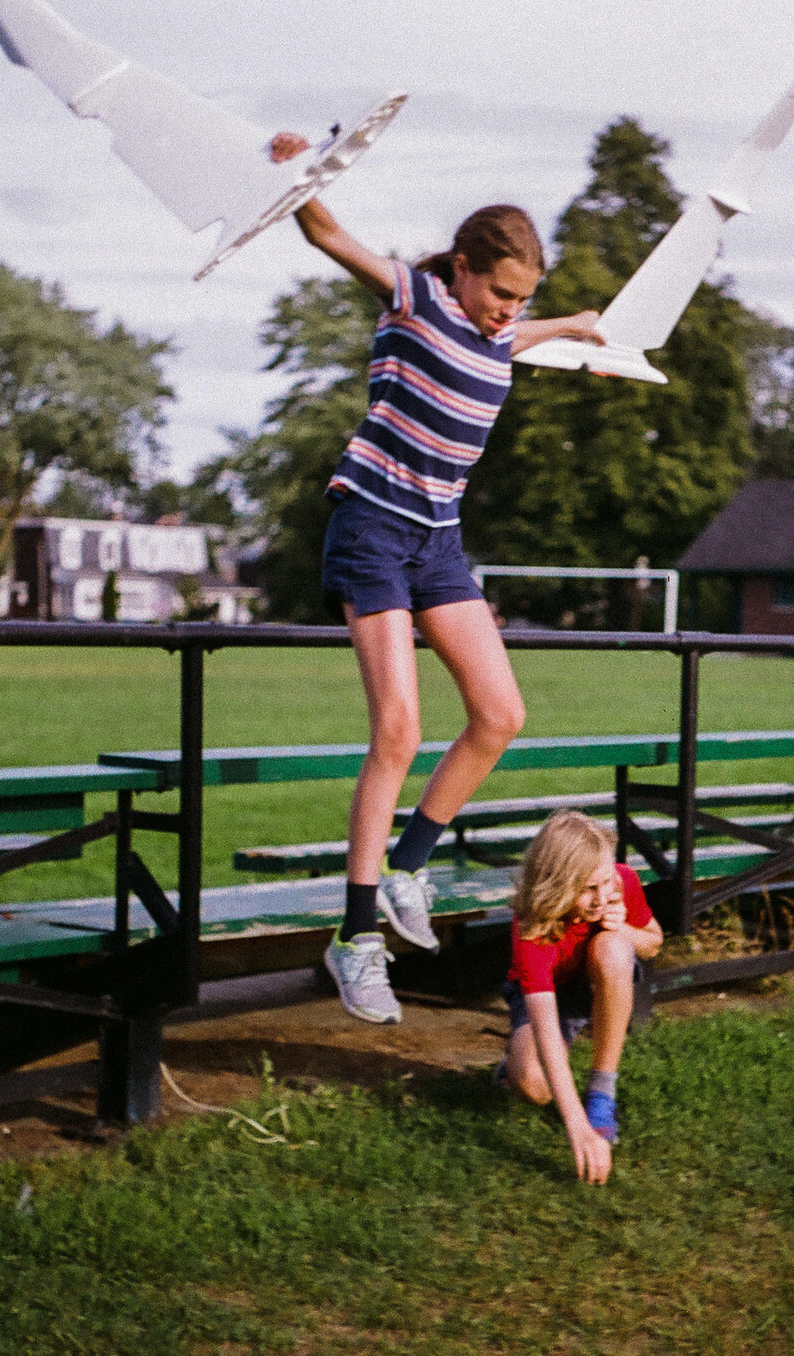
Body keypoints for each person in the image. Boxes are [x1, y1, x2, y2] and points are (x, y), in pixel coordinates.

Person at [266, 132, 607, 1025]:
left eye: (522, 299)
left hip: (439, 542)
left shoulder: (500, 333)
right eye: (497, 291)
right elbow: (327, 235)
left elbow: (514, 335)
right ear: (460, 269)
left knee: (500, 714)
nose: (506, 312)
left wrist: (570, 326)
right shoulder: (416, 301)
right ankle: (352, 937)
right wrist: (294, 174)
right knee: (398, 730)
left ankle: (408, 866)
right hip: (372, 529)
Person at [498, 811, 662, 1184]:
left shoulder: (621, 882)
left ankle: (602, 1094)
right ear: (556, 885)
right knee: (535, 1086)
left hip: (594, 977)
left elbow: (654, 943)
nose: (602, 897)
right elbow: (544, 1024)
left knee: (614, 948)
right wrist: (576, 1127)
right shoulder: (531, 926)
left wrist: (622, 929)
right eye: (588, 888)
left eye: (606, 882)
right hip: (544, 994)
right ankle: (512, 1063)